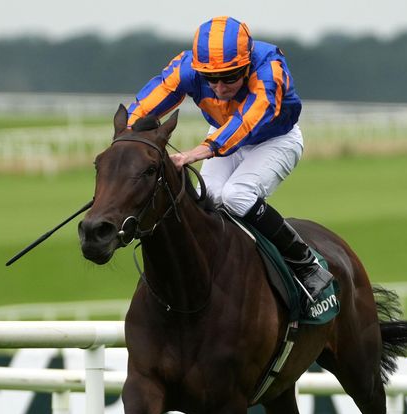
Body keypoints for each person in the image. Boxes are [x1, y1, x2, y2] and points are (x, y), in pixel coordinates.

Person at [125, 16, 333, 301]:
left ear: (247, 65)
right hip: (223, 134)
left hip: (275, 140)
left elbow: (246, 122)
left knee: (237, 195)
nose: (220, 88)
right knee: (207, 199)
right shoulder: (186, 67)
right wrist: (126, 135)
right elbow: (147, 103)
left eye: (230, 77)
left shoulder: (269, 68)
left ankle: (306, 264)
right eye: (211, 79)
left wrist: (195, 153)